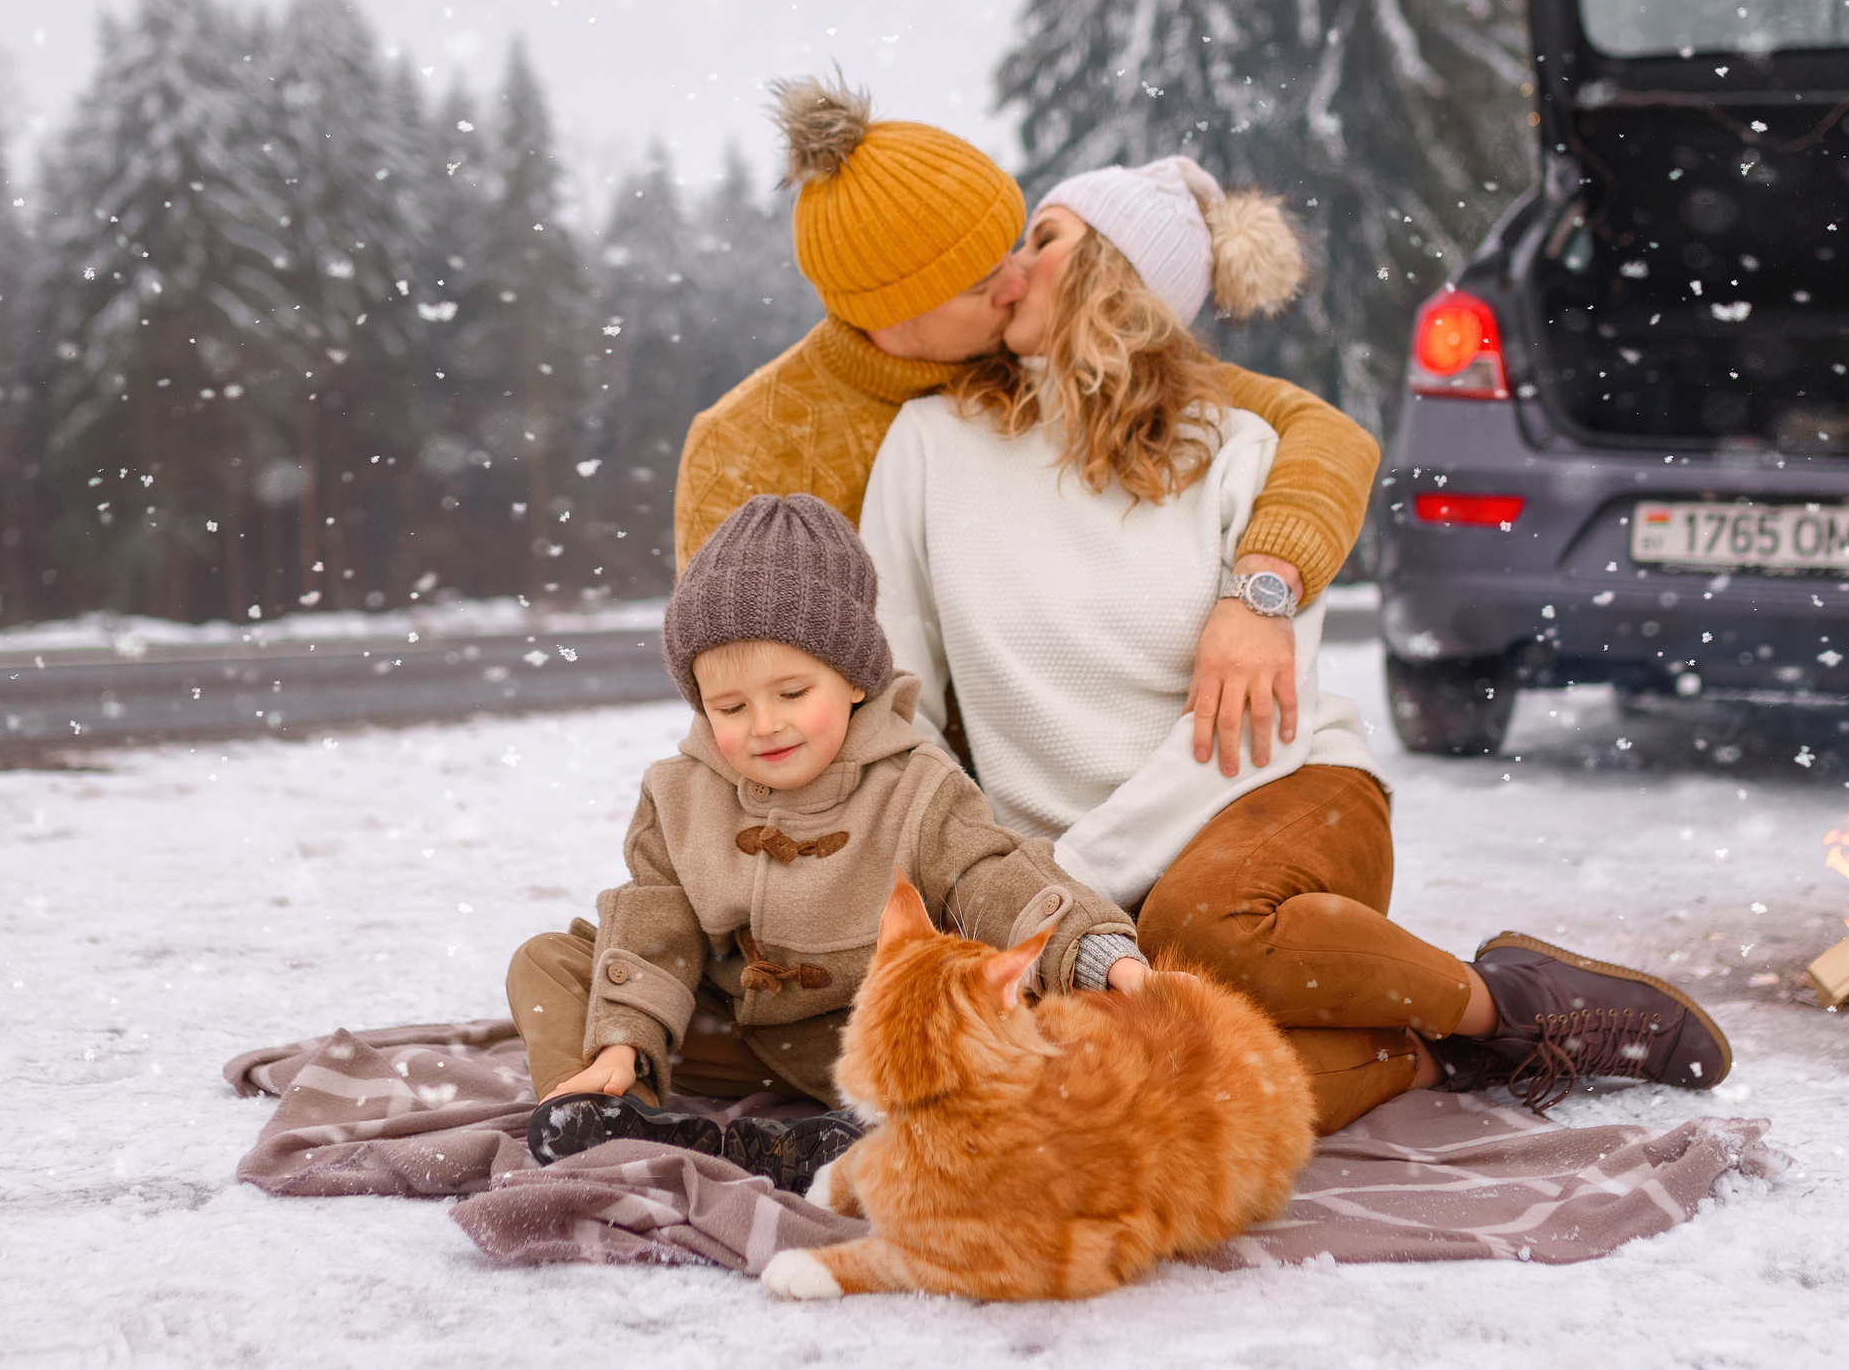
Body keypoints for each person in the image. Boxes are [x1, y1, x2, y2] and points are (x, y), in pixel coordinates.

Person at [859, 158, 1735, 1132]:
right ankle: (1427, 1054)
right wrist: (995, 881)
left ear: (1117, 269)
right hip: (1063, 874)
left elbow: (1251, 733)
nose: (1009, 266)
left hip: (1277, 795)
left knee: (1197, 932)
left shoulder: (1239, 453)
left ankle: (1514, 1004)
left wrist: (1057, 891)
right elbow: (899, 694)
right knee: (1104, 1092)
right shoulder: (927, 444)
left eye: (1045, 236)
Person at [673, 76, 1376, 780]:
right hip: (898, 790)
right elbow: (740, 691)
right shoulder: (748, 442)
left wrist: (1261, 590)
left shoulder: (1035, 361)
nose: (1017, 281)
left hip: (1057, 780)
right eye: (983, 285)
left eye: (1012, 249)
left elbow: (1325, 433)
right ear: (893, 313)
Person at [504, 493, 1145, 1193]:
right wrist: (624, 1038)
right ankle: (608, 1107)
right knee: (550, 961)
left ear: (854, 680)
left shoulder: (917, 784)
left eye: (791, 693)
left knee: (1031, 1029)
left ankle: (880, 1127)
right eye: (730, 707)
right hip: (723, 1029)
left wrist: (1093, 950)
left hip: (876, 1032)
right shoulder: (678, 791)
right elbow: (657, 922)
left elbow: (992, 875)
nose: (764, 725)